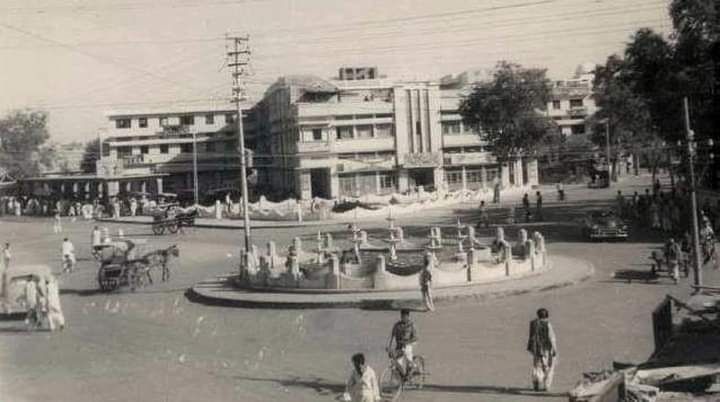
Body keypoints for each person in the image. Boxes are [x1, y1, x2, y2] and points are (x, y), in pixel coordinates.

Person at [527, 308, 558, 392]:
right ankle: (546, 385)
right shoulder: (547, 324)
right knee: (549, 366)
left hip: (536, 349)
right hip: (546, 348)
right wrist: (554, 349)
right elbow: (551, 337)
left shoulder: (533, 324)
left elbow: (531, 337)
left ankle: (536, 381)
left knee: (537, 366)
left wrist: (532, 348)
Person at [387, 309, 418, 380]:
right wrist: (388, 346)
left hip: (408, 344)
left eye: (405, 316)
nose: (403, 317)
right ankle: (401, 381)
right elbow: (391, 336)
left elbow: (415, 338)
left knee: (407, 355)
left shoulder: (411, 325)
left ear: (408, 316)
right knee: (397, 363)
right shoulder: (397, 325)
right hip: (399, 345)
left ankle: (413, 366)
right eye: (402, 316)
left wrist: (407, 342)